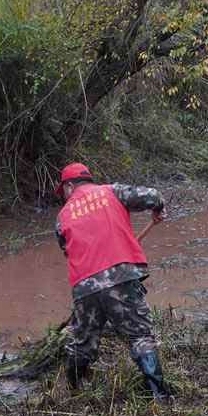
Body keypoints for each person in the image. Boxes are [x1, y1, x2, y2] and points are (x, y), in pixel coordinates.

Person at [54, 162, 171, 400]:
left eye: (63, 191)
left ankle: (74, 392)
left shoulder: (62, 217)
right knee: (139, 336)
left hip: (85, 287)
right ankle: (159, 397)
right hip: (121, 277)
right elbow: (153, 196)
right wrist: (157, 210)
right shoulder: (112, 191)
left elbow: (69, 251)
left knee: (82, 342)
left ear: (69, 186)